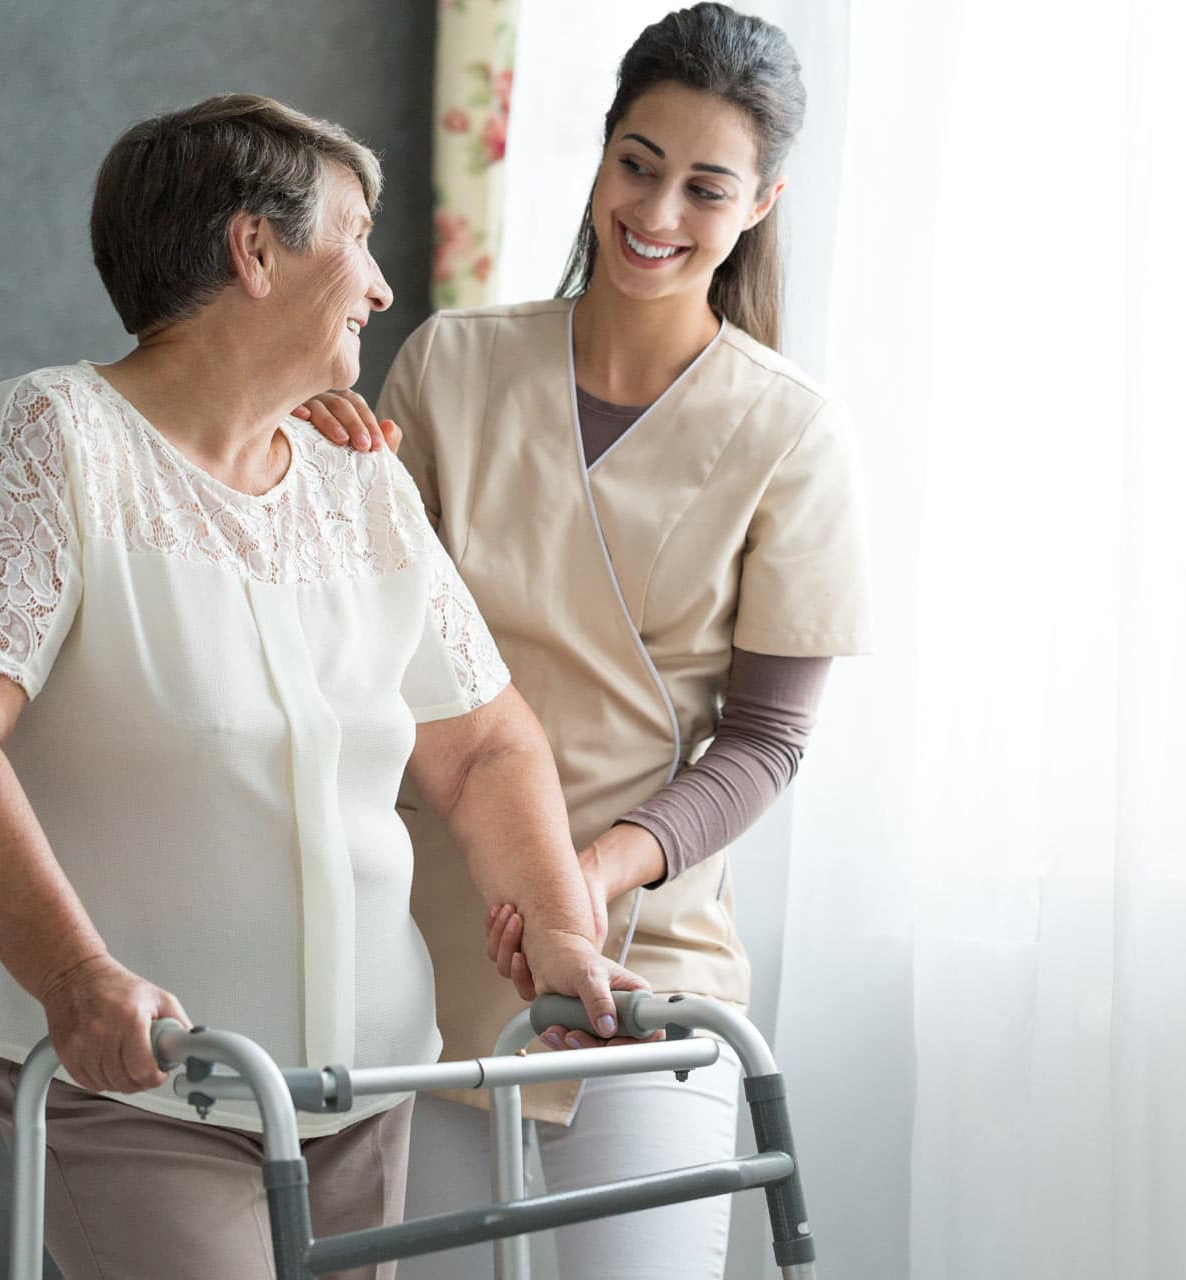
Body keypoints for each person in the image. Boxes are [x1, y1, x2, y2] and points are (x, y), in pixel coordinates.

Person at [0, 93, 635, 1280]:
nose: (381, 286)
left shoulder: (356, 476)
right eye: (358, 238)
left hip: (363, 1083)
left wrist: (565, 930)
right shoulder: (58, 437)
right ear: (255, 249)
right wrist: (77, 978)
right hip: (141, 1079)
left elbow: (483, 747)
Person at [301, 7, 872, 1276]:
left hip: (646, 969)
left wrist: (597, 870)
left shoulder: (793, 435)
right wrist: (310, 473)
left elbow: (769, 742)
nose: (658, 209)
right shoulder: (449, 366)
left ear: (763, 201)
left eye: (705, 185)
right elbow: (358, 645)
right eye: (637, 162)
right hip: (436, 959)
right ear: (603, 151)